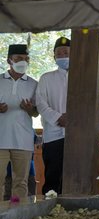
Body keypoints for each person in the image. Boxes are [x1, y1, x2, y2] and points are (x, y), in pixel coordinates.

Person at [0, 44, 38, 199]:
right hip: (0, 139)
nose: (23, 62)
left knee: (20, 183)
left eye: (26, 59)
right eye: (19, 59)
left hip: (23, 140)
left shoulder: (33, 84)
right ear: (9, 60)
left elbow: (36, 113)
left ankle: (17, 215)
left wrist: (29, 109)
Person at [36, 37, 70, 194]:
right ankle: (49, 212)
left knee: (74, 176)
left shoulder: (83, 77)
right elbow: (41, 103)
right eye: (59, 53)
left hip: (76, 136)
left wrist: (73, 120)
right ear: (54, 56)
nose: (63, 56)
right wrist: (58, 117)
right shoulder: (46, 78)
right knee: (52, 176)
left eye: (66, 52)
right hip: (53, 135)